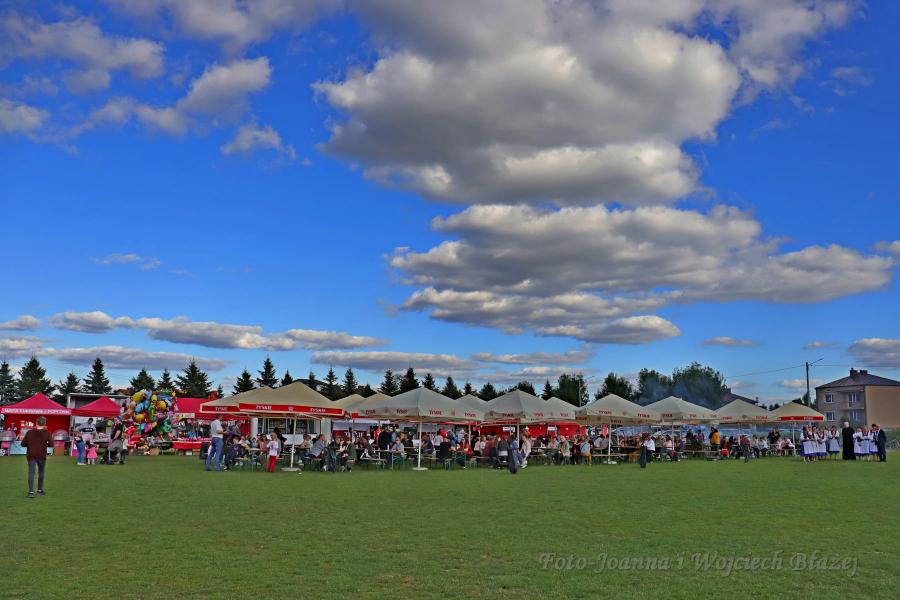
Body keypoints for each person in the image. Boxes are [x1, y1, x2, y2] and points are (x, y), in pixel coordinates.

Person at [23, 416, 52, 499]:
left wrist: (31, 444)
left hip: (31, 454)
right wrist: (44, 444)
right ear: (45, 423)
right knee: (41, 472)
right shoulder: (47, 432)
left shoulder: (29, 432)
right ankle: (39, 490)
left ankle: (31, 492)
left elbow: (23, 444)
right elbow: (51, 444)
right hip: (41, 454)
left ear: (36, 423)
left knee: (31, 473)